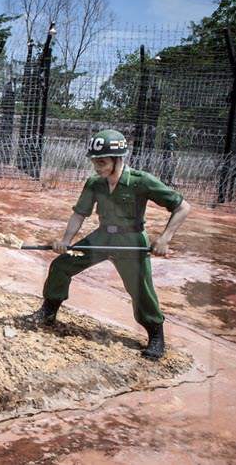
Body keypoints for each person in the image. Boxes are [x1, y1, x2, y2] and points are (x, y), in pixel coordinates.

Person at [24, 129, 191, 360]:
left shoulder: (141, 182)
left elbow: (183, 207)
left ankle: (156, 336)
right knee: (62, 265)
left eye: (101, 162)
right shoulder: (94, 183)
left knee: (141, 289)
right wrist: (66, 241)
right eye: (94, 161)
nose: (97, 166)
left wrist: (164, 238)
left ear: (117, 158)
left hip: (131, 240)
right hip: (101, 238)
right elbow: (79, 214)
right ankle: (48, 312)